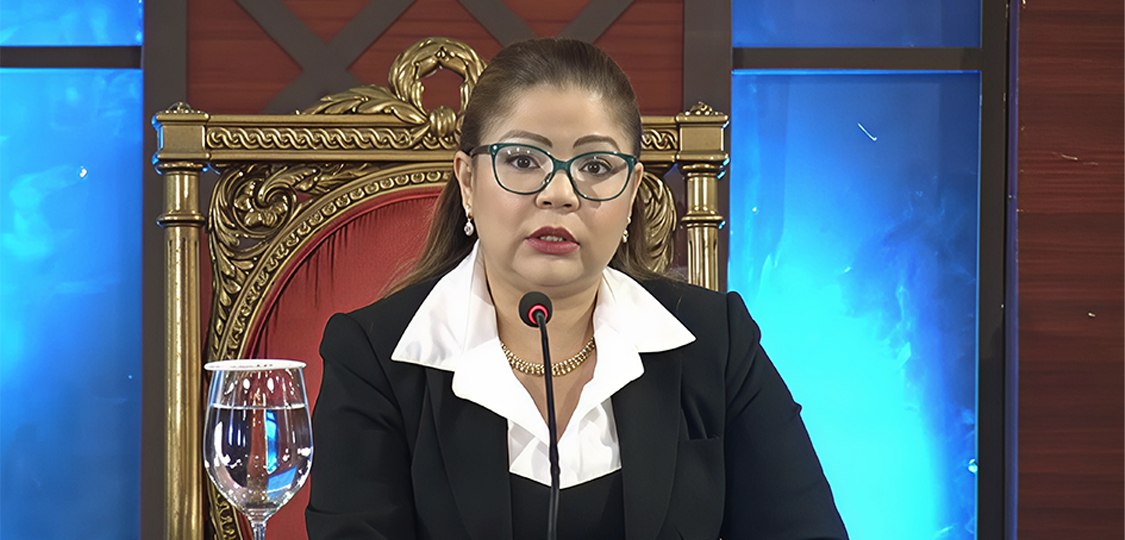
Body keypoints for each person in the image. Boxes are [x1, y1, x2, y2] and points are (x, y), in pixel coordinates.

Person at [306, 38, 847, 539]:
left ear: (631, 192)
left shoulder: (717, 343)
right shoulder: (375, 357)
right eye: (523, 160)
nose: (560, 193)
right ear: (468, 181)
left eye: (595, 165)